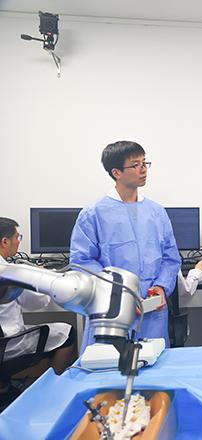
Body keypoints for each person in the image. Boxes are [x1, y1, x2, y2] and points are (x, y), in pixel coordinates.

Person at [70, 141, 181, 352]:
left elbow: (170, 258)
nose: (143, 169)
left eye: (145, 163)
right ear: (116, 172)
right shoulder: (94, 214)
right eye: (136, 165)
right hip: (112, 308)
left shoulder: (156, 212)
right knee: (108, 363)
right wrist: (120, 293)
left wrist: (161, 287)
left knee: (153, 361)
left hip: (152, 307)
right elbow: (82, 261)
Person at [0, 218, 76, 378]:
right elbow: (37, 303)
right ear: (5, 242)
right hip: (8, 344)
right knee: (68, 333)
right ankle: (52, 385)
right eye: (17, 237)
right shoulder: (11, 272)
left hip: (5, 341)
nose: (18, 242)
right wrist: (41, 276)